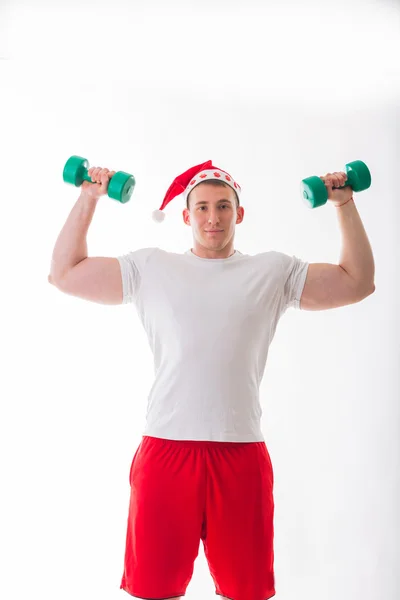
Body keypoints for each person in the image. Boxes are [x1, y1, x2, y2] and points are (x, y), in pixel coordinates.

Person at [49, 159, 375, 600]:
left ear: (238, 214)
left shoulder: (272, 272)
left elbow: (357, 283)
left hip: (239, 456)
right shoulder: (151, 268)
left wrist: (345, 203)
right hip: (165, 452)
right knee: (152, 590)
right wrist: (89, 197)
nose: (212, 218)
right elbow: (65, 274)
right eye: (201, 208)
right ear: (186, 217)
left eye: (223, 206)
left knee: (247, 592)